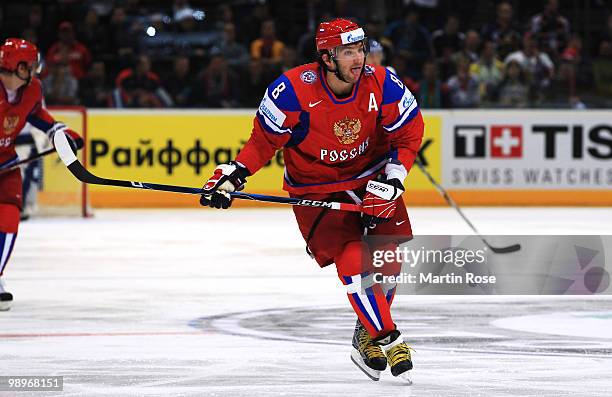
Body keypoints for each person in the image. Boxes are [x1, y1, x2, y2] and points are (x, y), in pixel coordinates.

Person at [199, 19, 424, 381]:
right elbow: (262, 143)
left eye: (361, 49)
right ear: (326, 57)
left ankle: (365, 332)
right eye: (348, 52)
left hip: (373, 179)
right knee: (353, 257)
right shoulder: (291, 91)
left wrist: (395, 177)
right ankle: (385, 337)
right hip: (316, 190)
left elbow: (410, 132)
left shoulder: (381, 82)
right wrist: (235, 172)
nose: (359, 59)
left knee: (389, 258)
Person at [0, 38, 83, 311]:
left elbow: (39, 116)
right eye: (30, 66)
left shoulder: (33, 89)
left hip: (6, 164)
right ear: (17, 66)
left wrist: (60, 132)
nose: (35, 70)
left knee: (10, 216)